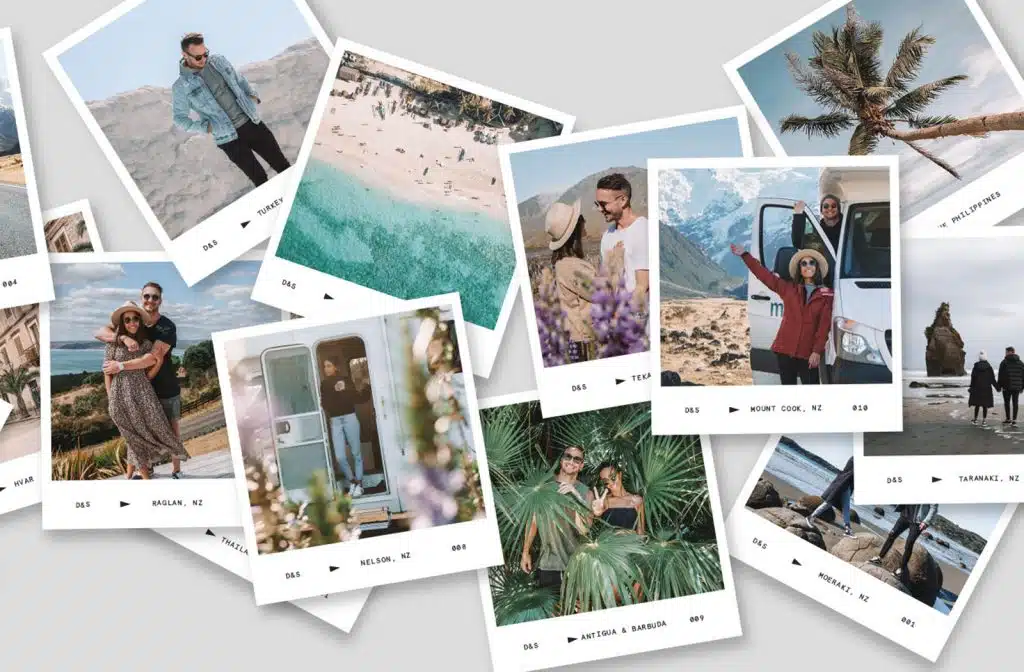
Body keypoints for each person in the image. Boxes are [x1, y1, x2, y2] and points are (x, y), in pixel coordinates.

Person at [171, 32, 290, 187]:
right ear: (185, 55)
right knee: (260, 180)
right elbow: (179, 118)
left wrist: (251, 95)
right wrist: (205, 126)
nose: (204, 59)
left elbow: (239, 79)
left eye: (205, 54)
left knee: (283, 166)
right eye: (198, 57)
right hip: (229, 140)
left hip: (252, 124)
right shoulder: (181, 87)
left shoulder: (219, 61)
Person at [97, 282, 183, 478]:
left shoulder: (167, 327)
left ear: (160, 300)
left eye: (154, 297)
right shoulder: (134, 319)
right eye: (146, 296)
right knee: (137, 432)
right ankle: (146, 470)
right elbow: (100, 332)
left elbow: (152, 358)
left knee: (171, 430)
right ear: (141, 297)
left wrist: (120, 366)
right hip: (139, 391)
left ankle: (176, 470)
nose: (150, 300)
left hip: (165, 385)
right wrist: (123, 339)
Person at [730, 243, 834, 385]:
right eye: (803, 263)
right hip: (784, 350)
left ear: (817, 268)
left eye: (812, 262)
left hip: (808, 353)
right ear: (800, 269)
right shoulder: (788, 289)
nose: (808, 266)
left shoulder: (826, 295)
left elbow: (824, 327)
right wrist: (745, 255)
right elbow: (764, 275)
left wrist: (816, 351)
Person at [520, 445, 594, 596]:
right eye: (568, 456)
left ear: (581, 465)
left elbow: (584, 529)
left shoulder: (586, 493)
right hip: (548, 564)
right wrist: (525, 552)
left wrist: (575, 496)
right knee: (552, 614)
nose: (571, 461)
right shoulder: (544, 487)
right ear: (561, 461)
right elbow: (533, 521)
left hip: (577, 565)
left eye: (577, 459)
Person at [545, 199, 596, 363]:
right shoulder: (571, 267)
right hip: (584, 342)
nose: (585, 222)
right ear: (574, 231)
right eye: (581, 220)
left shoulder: (563, 264)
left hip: (577, 340)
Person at [320, 357, 370, 497]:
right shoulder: (324, 384)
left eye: (329, 365)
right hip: (335, 421)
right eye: (325, 366)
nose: (326, 369)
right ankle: (353, 481)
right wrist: (336, 392)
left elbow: (355, 397)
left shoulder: (346, 379)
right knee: (340, 457)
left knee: (356, 453)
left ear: (335, 367)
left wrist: (367, 387)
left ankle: (359, 484)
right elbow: (325, 404)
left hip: (350, 417)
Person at [596, 173, 649, 304]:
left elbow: (643, 285)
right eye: (597, 204)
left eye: (603, 204)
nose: (599, 209)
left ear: (623, 200)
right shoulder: (607, 235)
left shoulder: (642, 229)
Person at [870, 504, 938, 583]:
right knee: (891, 535)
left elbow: (934, 509)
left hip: (917, 522)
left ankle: (900, 570)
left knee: (909, 543)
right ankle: (879, 558)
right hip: (905, 515)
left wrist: (926, 522)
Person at [805, 456, 854, 537]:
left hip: (847, 486)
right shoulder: (854, 459)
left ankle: (847, 529)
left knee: (845, 507)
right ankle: (811, 517)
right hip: (842, 484)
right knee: (829, 502)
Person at [591, 462, 645, 534]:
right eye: (606, 481)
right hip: (609, 544)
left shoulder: (637, 500)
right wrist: (597, 514)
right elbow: (594, 522)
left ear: (620, 475)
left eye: (613, 477)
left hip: (632, 544)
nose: (611, 483)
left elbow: (641, 531)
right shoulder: (604, 501)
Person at [968, 350, 997, 426]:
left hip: (977, 388)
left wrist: (971, 387)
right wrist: (997, 387)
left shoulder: (976, 366)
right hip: (986, 389)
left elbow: (973, 378)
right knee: (985, 405)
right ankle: (984, 421)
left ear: (979, 358)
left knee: (977, 404)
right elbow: (992, 379)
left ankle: (975, 419)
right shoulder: (989, 367)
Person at [997, 346, 1024, 427]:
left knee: (1007, 403)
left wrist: (999, 386)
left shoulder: (1004, 362)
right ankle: (1014, 420)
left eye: (1006, 352)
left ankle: (1008, 419)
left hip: (1006, 386)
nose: (1005, 353)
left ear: (1010, 352)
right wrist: (1022, 387)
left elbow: (1000, 375)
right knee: (1015, 403)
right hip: (1016, 387)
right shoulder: (1020, 363)